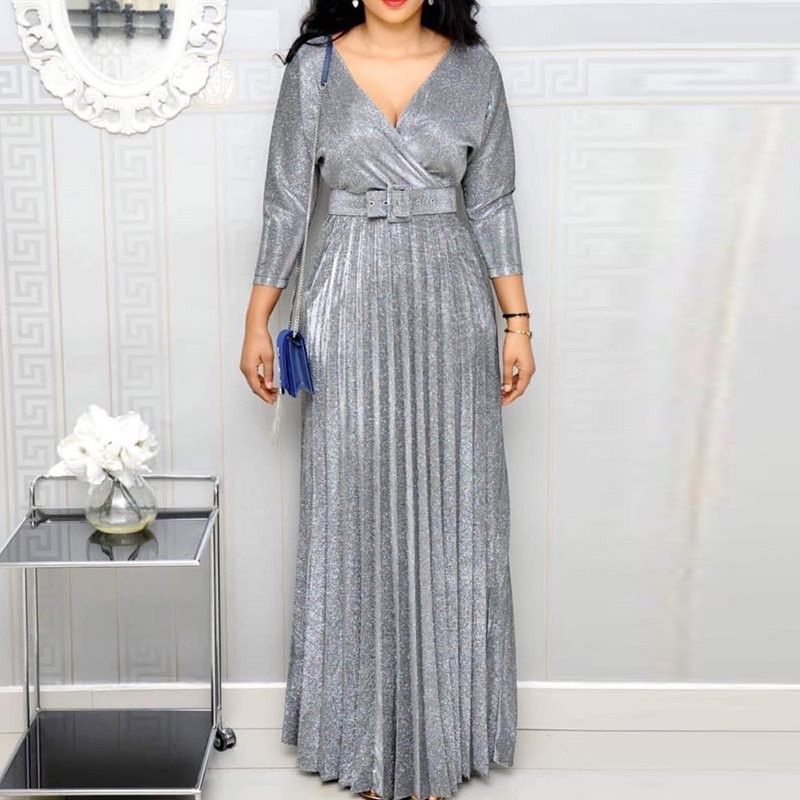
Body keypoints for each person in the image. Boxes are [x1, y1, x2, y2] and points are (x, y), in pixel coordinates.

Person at [240, 2, 536, 798]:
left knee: (456, 512)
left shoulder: (474, 69)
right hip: (347, 300)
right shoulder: (315, 70)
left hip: (451, 303)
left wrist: (517, 323)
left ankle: (445, 741)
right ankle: (361, 743)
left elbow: (494, 202)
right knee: (353, 512)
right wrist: (257, 320)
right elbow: (285, 203)